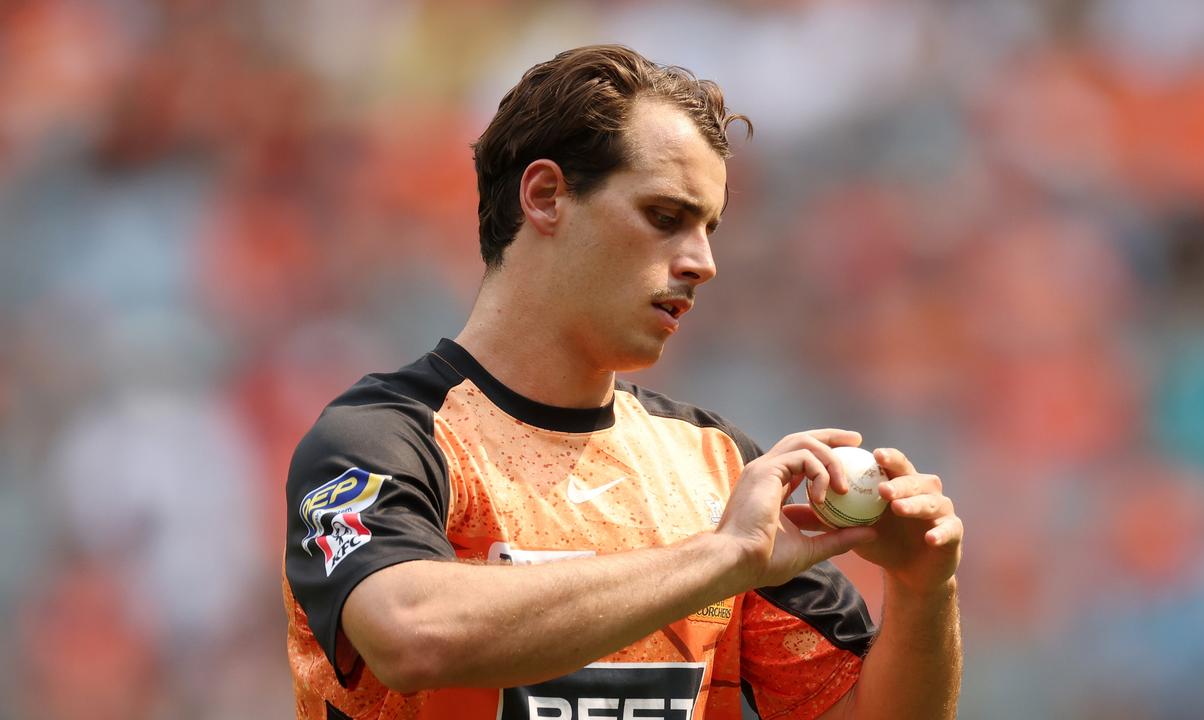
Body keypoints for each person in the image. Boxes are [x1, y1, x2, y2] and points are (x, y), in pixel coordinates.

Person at [283, 45, 963, 720]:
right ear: (546, 196)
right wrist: (722, 559)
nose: (703, 263)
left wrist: (922, 591)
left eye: (709, 228)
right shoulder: (381, 439)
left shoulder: (720, 468)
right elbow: (412, 636)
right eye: (665, 218)